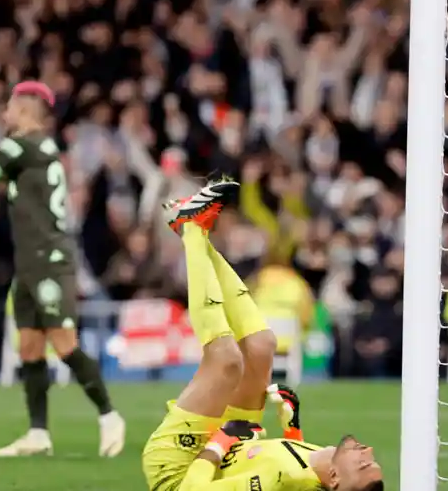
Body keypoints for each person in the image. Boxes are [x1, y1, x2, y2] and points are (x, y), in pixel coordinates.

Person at [141, 179, 384, 491]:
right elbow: (288, 457)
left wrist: (220, 441)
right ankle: (191, 228)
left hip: (178, 466)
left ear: (336, 479)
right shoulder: (322, 467)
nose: (368, 451)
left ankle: (193, 230)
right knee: (261, 345)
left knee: (227, 361)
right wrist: (291, 426)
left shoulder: (281, 481)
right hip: (232, 448)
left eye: (363, 463)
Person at [0, 81, 126, 458]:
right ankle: (38, 433)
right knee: (31, 347)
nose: (4, 115)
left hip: (49, 262)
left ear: (24, 111)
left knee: (63, 344)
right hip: (31, 263)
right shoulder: (45, 148)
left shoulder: (21, 146)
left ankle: (109, 414)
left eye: (10, 108)